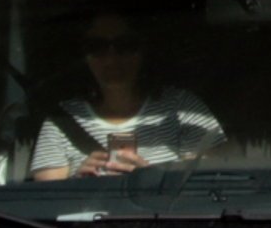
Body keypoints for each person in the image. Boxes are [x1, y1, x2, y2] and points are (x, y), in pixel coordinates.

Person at [28, 11, 227, 178]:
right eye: (97, 47)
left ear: (144, 51)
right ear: (83, 56)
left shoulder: (182, 109)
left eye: (125, 45)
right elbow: (46, 201)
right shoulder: (61, 120)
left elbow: (207, 187)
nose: (111, 58)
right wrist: (79, 181)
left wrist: (150, 180)